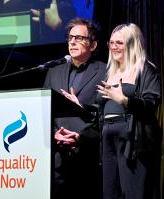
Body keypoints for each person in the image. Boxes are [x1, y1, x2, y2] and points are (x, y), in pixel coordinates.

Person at [97, 23, 162, 199]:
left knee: (134, 192)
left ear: (132, 44)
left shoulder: (145, 69)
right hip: (108, 137)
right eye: (111, 43)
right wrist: (78, 106)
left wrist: (125, 100)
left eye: (119, 42)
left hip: (132, 139)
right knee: (111, 193)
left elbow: (151, 103)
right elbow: (100, 108)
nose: (113, 47)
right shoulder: (109, 72)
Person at [43, 18, 107, 199]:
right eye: (70, 37)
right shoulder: (53, 71)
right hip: (58, 157)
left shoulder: (104, 72)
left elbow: (105, 114)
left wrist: (82, 137)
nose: (72, 42)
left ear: (93, 45)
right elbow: (44, 112)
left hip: (89, 157)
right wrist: (54, 134)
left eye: (79, 38)